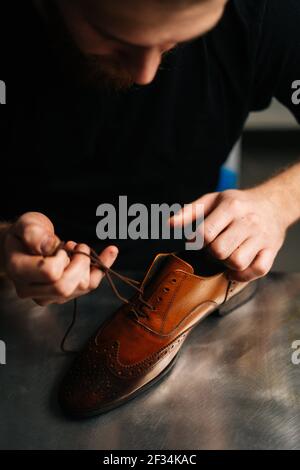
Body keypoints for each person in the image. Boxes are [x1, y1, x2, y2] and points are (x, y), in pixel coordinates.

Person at [0, 0, 300, 307]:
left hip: (182, 270)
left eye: (176, 40)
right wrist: (5, 243)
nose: (146, 74)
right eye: (113, 37)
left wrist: (277, 202)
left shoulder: (260, 10)